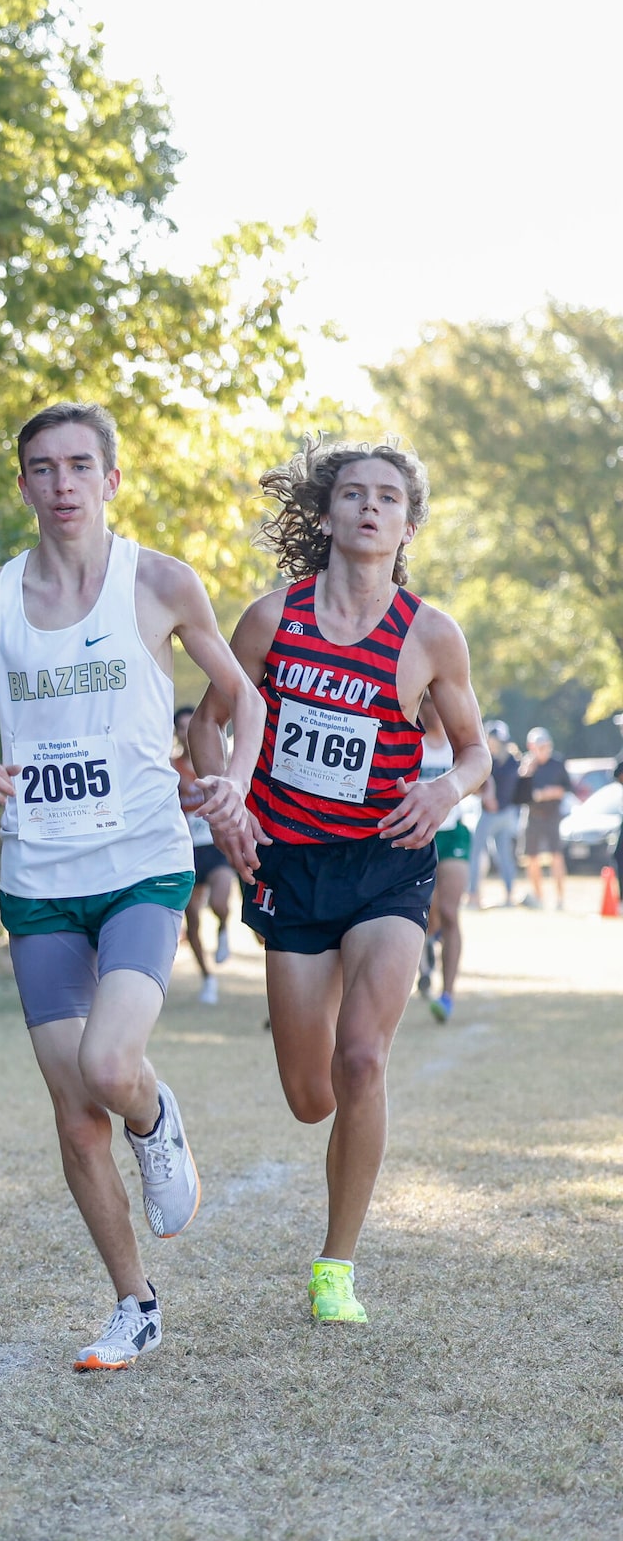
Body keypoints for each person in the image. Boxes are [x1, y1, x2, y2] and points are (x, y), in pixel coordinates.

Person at [0, 403, 264, 1370]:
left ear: (111, 479)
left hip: (141, 865)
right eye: (44, 467)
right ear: (25, 483)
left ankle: (158, 1119)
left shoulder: (158, 581)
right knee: (75, 1115)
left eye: (81, 465)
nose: (63, 483)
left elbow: (243, 697)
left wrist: (233, 779)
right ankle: (133, 1303)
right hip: (38, 878)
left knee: (112, 1069)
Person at [197, 440, 487, 1325]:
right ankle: (321, 1097)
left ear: (407, 524)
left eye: (388, 499)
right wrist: (228, 806)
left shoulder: (430, 634)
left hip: (387, 862)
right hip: (288, 866)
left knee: (363, 1057)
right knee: (310, 1093)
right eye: (353, 495)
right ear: (325, 515)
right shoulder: (269, 619)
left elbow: (475, 753)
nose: (369, 509)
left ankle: (337, 1266)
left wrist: (442, 788)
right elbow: (208, 726)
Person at [174, 705, 239, 1003]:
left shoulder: (216, 763)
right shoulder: (172, 769)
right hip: (187, 850)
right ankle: (208, 978)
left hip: (215, 846)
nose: (188, 735)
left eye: (192, 727)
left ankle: (225, 928)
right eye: (182, 728)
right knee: (193, 918)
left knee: (220, 900)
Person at [415, 696, 472, 1020]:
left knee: (450, 911)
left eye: (440, 703)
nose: (436, 710)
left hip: (452, 833)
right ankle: (426, 946)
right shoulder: (410, 740)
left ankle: (447, 995)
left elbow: (478, 776)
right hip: (417, 832)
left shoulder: (457, 740)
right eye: (429, 705)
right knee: (428, 912)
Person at [515, 727, 571, 910]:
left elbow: (566, 788)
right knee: (531, 858)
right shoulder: (526, 765)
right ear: (532, 747)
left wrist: (546, 794)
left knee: (556, 855)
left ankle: (561, 899)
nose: (544, 750)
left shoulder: (557, 763)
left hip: (552, 815)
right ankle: (538, 897)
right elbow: (519, 794)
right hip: (532, 815)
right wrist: (526, 771)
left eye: (547, 746)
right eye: (540, 746)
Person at [472, 719, 521, 908]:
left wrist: (487, 796)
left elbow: (480, 786)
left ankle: (474, 895)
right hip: (506, 813)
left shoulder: (489, 760)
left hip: (493, 814)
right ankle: (508, 895)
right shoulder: (513, 761)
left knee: (478, 853)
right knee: (503, 855)